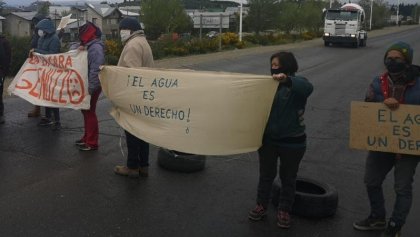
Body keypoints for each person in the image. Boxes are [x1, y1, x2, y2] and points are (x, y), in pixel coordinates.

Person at [353, 42, 420, 237]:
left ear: (406, 61)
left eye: (397, 58)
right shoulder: (377, 82)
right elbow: (367, 108)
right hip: (381, 142)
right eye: (389, 58)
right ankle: (377, 217)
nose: (392, 62)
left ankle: (395, 225)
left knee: (402, 187)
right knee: (372, 181)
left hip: (408, 146)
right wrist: (382, 105)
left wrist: (400, 105)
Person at [248, 52, 313, 229]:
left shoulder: (296, 85)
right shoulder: (267, 85)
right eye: (272, 64)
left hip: (293, 142)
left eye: (277, 64)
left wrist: (287, 80)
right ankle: (261, 205)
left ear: (286, 66)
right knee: (266, 175)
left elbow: (307, 88)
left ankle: (284, 210)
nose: (273, 68)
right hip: (268, 141)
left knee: (288, 178)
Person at [113, 18, 154, 178]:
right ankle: (144, 166)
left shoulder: (132, 45)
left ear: (129, 29)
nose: (120, 32)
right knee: (143, 132)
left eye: (121, 29)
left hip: (134, 96)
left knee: (132, 132)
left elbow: (132, 74)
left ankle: (132, 166)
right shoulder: (142, 41)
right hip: (144, 94)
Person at [73, 22, 105, 151]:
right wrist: (79, 47)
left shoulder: (95, 48)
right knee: (85, 110)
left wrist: (90, 89)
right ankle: (87, 138)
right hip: (87, 84)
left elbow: (96, 70)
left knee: (89, 111)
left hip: (92, 85)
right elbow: (73, 48)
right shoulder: (88, 45)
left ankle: (92, 142)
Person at [29, 18, 62, 130]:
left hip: (52, 71)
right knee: (45, 95)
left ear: (46, 29)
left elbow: (53, 55)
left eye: (41, 29)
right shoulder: (42, 38)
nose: (39, 31)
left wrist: (37, 52)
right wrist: (35, 52)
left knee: (52, 96)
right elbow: (39, 50)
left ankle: (57, 120)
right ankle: (47, 117)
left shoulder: (54, 39)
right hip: (42, 70)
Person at [27, 14, 47, 118]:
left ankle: (48, 112)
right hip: (35, 63)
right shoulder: (36, 33)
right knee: (36, 87)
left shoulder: (44, 34)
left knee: (43, 88)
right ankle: (37, 109)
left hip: (43, 65)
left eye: (37, 23)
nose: (35, 25)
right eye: (34, 23)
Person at [0, 34, 11, 124]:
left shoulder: (3, 42)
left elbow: (5, 58)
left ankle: (1, 115)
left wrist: (3, 71)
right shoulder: (5, 41)